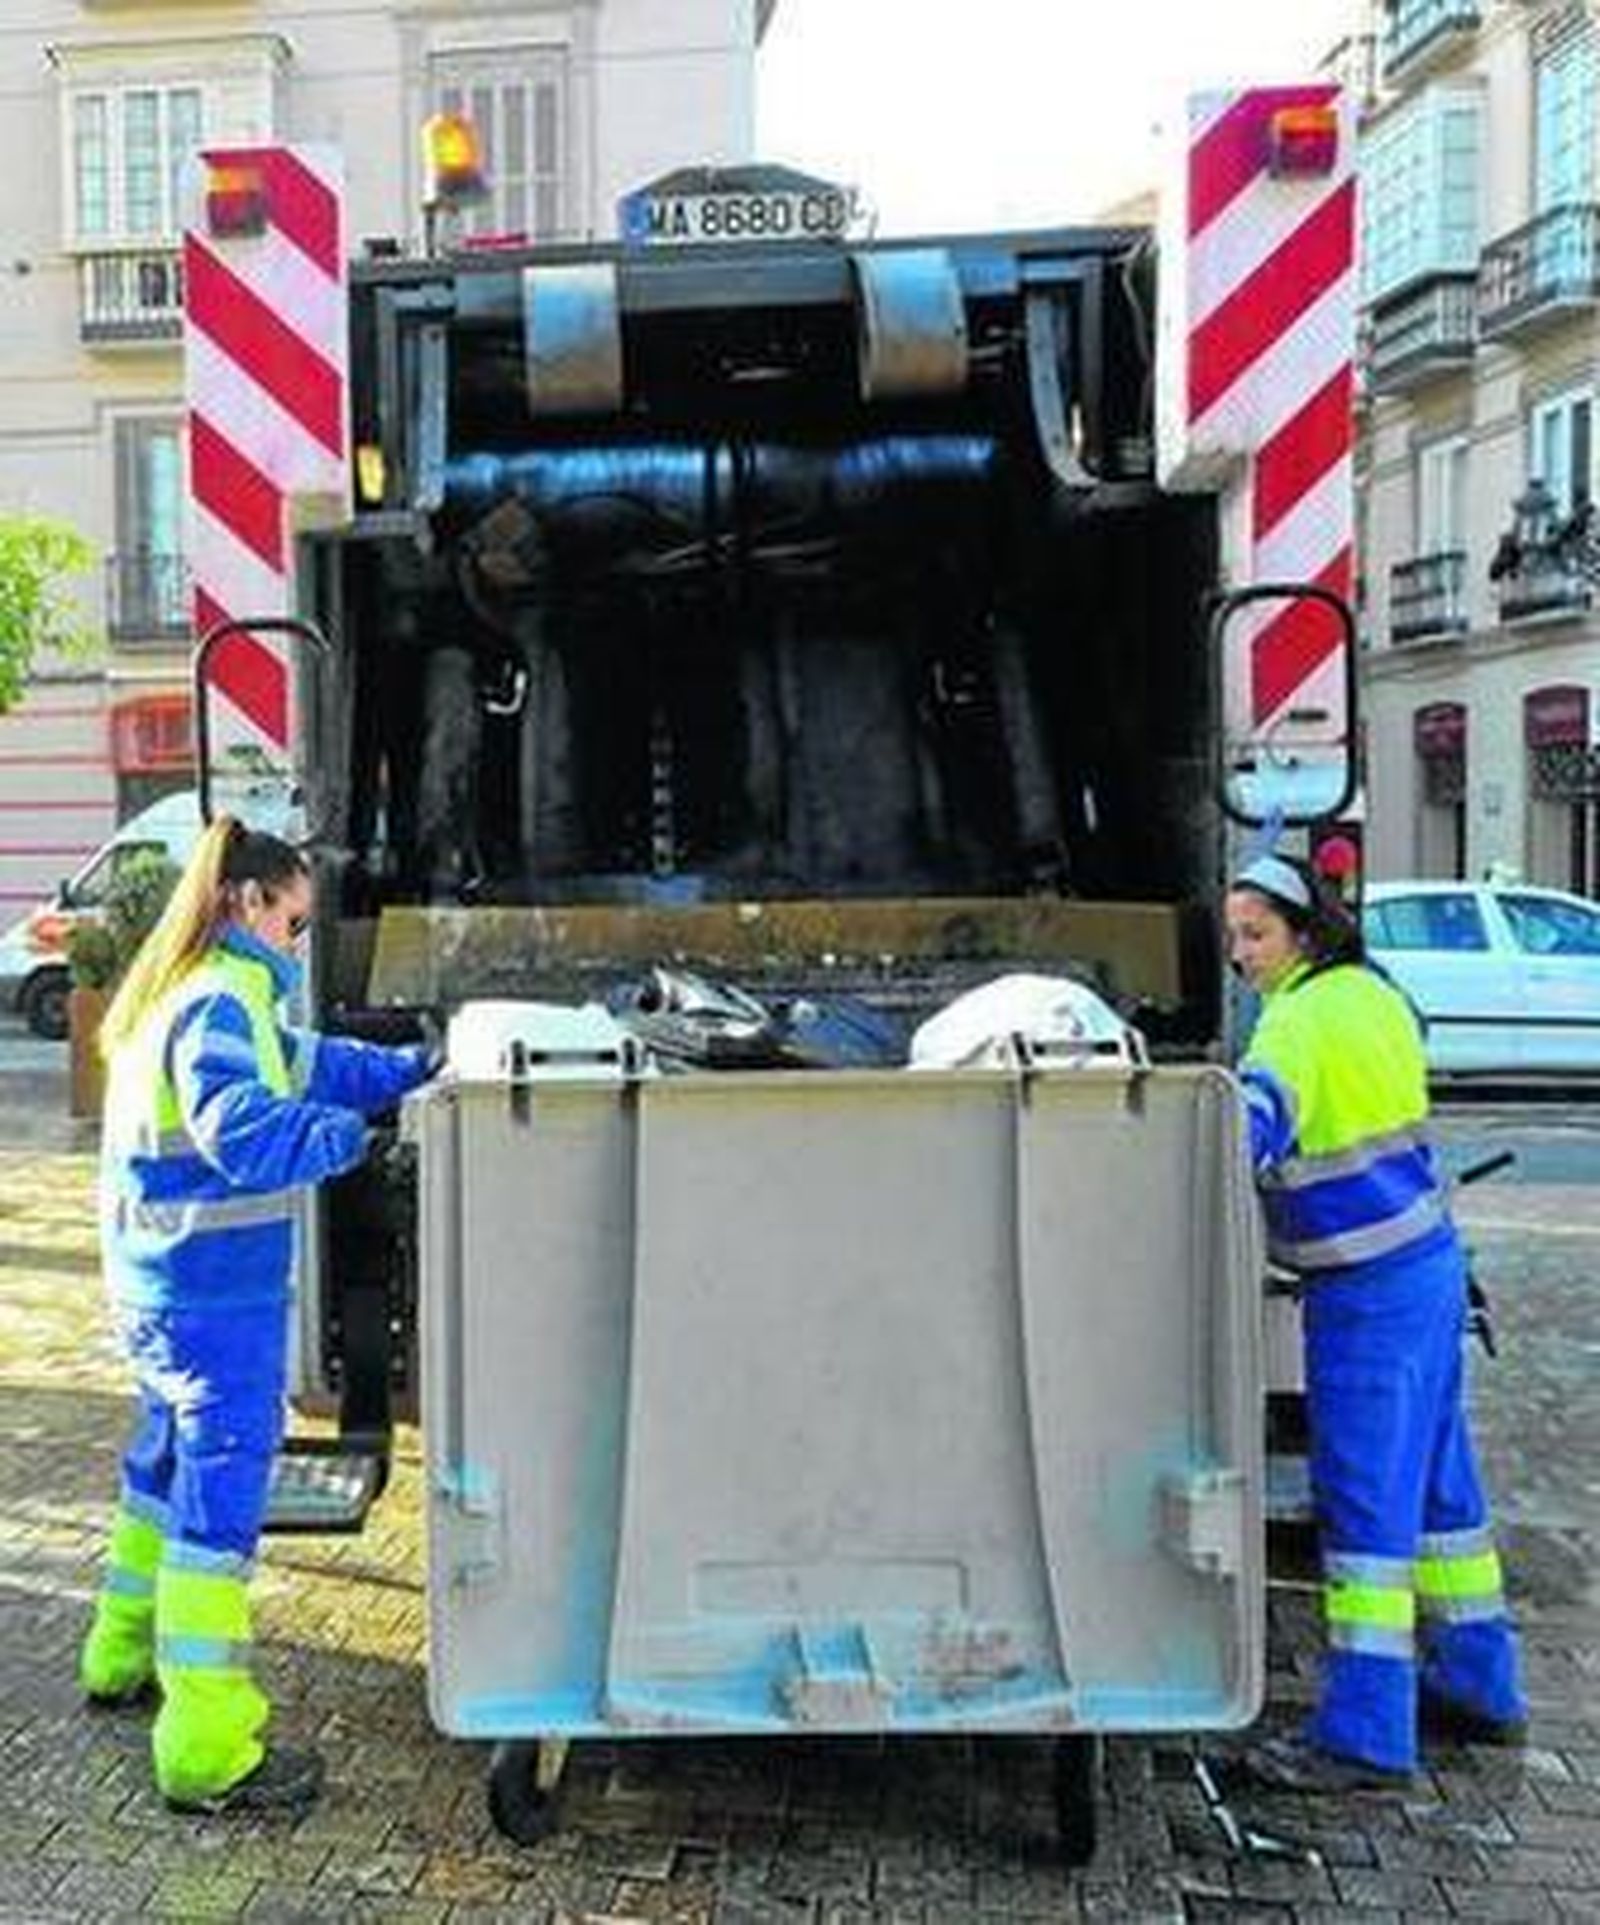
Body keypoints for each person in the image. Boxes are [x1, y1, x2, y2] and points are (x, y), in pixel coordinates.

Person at [77, 816, 439, 1815]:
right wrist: (360, 1142)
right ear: (247, 903)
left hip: (155, 1286)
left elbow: (313, 1060)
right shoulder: (221, 999)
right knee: (218, 1510)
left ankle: (115, 1652)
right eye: (291, 921)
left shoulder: (179, 992)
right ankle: (205, 1745)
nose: (295, 941)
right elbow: (242, 1128)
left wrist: (415, 1064)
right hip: (213, 1299)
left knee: (158, 1466)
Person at [1225, 851, 1526, 1791]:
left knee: (1364, 1511)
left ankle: (1364, 1734)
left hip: (1366, 1295)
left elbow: (1251, 1127)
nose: (1241, 954)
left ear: (1305, 932)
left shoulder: (1294, 1027)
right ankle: (1482, 1688)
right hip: (1431, 1267)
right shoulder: (1376, 993)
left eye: (1257, 934)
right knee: (1443, 1499)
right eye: (1232, 935)